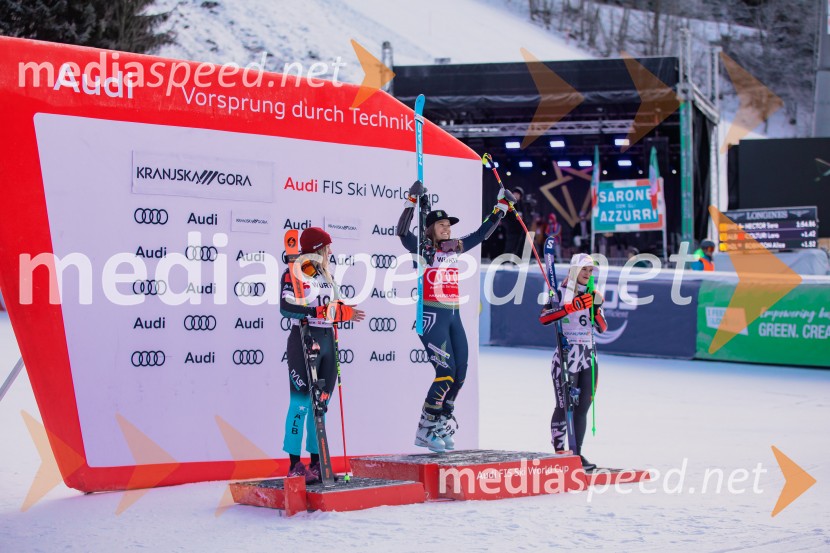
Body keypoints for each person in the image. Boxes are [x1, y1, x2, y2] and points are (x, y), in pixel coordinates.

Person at [397, 185, 509, 452]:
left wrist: (501, 209)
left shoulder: (453, 248)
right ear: (430, 229)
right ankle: (425, 428)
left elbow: (481, 234)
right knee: (445, 372)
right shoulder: (423, 250)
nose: (447, 228)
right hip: (432, 315)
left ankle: (441, 419)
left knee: (460, 373)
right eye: (441, 225)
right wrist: (411, 201)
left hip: (453, 314)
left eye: (449, 225)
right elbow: (402, 231)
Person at [280, 227, 365, 482]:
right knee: (300, 403)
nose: (330, 252)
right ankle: (295, 464)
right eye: (327, 248)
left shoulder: (326, 276)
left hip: (328, 340)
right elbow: (285, 307)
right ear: (317, 249)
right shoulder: (295, 273)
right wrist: (319, 312)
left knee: (321, 406)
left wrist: (345, 312)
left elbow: (333, 308)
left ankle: (317, 463)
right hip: (305, 339)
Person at [539, 253, 607, 470]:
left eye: (590, 271)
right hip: (566, 355)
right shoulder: (558, 292)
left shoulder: (592, 293)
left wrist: (595, 310)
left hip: (589, 356)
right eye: (584, 269)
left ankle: (576, 454)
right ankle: (560, 452)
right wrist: (570, 307)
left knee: (583, 407)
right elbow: (544, 318)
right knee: (564, 405)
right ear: (574, 270)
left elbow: (603, 327)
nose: (587, 274)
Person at [502, 186, 530, 258]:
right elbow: (504, 217)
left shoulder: (523, 205)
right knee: (510, 245)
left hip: (520, 230)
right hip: (511, 230)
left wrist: (524, 220)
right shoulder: (509, 204)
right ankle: (506, 260)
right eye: (515, 194)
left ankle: (517, 261)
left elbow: (527, 216)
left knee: (520, 246)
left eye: (518, 194)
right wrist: (509, 226)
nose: (516, 196)